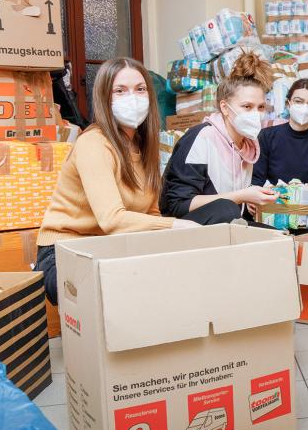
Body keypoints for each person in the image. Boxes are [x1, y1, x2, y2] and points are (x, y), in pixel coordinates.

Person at [34, 58, 199, 305]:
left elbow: (151, 213)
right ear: (105, 98)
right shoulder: (94, 144)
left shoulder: (145, 148)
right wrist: (177, 226)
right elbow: (111, 219)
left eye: (140, 89)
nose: (132, 97)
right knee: (124, 293)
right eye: (120, 90)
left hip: (112, 247)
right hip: (64, 252)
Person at [160, 53, 279, 224]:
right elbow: (178, 205)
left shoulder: (247, 146)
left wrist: (251, 199)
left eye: (261, 107)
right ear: (224, 107)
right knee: (227, 209)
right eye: (247, 106)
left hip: (225, 224)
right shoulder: (201, 137)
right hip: (183, 227)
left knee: (280, 237)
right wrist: (242, 196)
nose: (256, 114)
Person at [251, 78, 308, 232]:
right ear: (288, 103)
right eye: (299, 101)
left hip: (307, 223)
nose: (305, 108)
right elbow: (257, 180)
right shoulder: (266, 137)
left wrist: (304, 194)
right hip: (269, 221)